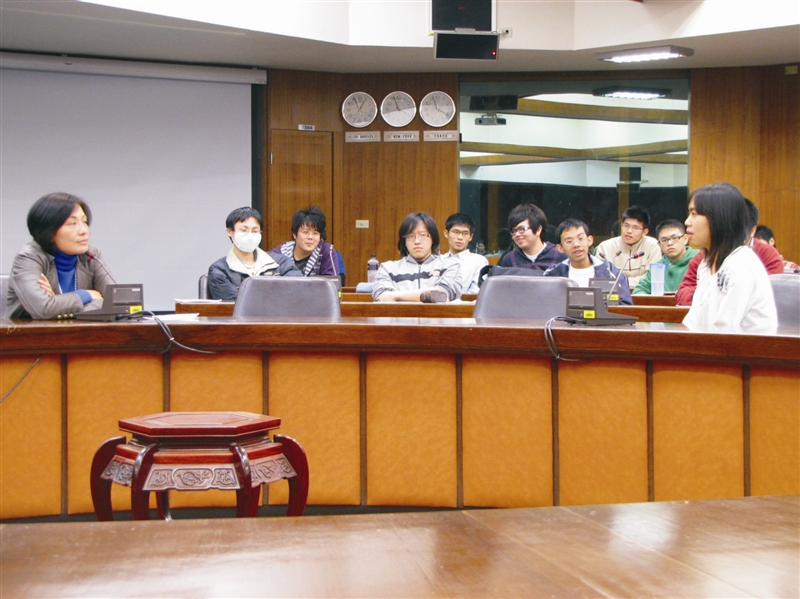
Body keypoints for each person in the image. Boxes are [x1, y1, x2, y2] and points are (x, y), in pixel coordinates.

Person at [682, 183, 777, 331]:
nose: (687, 222)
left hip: (743, 345)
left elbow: (724, 331)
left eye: (694, 214)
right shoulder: (706, 263)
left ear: (719, 219)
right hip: (713, 342)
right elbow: (694, 319)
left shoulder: (741, 265)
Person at [6, 192, 116, 319]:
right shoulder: (29, 258)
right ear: (49, 232)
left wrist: (58, 303)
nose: (84, 230)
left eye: (84, 221)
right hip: (32, 331)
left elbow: (116, 303)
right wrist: (85, 295)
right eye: (72, 223)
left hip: (82, 331)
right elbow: (44, 309)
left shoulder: (90, 255)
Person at [676, 197, 784, 305]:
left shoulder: (764, 254)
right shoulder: (703, 257)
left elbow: (775, 292)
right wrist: (705, 296)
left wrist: (710, 295)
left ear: (752, 231)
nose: (687, 222)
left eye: (694, 214)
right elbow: (682, 293)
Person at [207, 207, 300, 300]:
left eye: (255, 231)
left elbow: (297, 293)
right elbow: (234, 304)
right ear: (229, 232)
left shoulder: (282, 263)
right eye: (244, 230)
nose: (250, 235)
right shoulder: (220, 270)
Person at [372, 212, 461, 302]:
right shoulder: (388, 269)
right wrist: (426, 295)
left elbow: (441, 296)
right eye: (410, 236)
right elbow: (382, 297)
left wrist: (395, 296)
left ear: (433, 239)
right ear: (404, 241)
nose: (417, 241)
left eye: (423, 235)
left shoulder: (449, 265)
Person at [544, 218, 633, 305]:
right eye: (569, 241)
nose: (576, 244)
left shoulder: (611, 272)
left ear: (590, 240)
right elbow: (544, 305)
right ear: (560, 248)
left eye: (580, 238)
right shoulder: (552, 274)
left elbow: (625, 307)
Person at [594, 205, 662, 289]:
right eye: (626, 226)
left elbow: (652, 278)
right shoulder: (605, 247)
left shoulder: (652, 245)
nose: (629, 231)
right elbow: (602, 280)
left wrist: (620, 282)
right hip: (613, 294)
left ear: (645, 232)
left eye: (635, 228)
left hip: (644, 293)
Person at [633, 219, 699, 295]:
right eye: (664, 240)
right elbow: (640, 289)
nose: (670, 243)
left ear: (685, 239)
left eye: (674, 238)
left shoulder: (699, 260)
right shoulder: (658, 266)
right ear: (659, 244)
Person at [273, 206, 341, 279]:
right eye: (305, 232)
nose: (310, 237)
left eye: (315, 233)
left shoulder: (326, 251)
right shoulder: (279, 253)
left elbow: (332, 283)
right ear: (294, 234)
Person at [498, 203, 566, 271]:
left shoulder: (559, 255)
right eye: (513, 231)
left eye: (522, 229)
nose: (517, 234)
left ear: (538, 230)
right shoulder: (510, 259)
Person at [440, 213, 488, 295]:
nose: (460, 237)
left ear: (471, 237)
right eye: (456, 232)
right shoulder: (439, 260)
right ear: (446, 233)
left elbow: (476, 292)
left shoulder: (479, 261)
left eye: (465, 233)